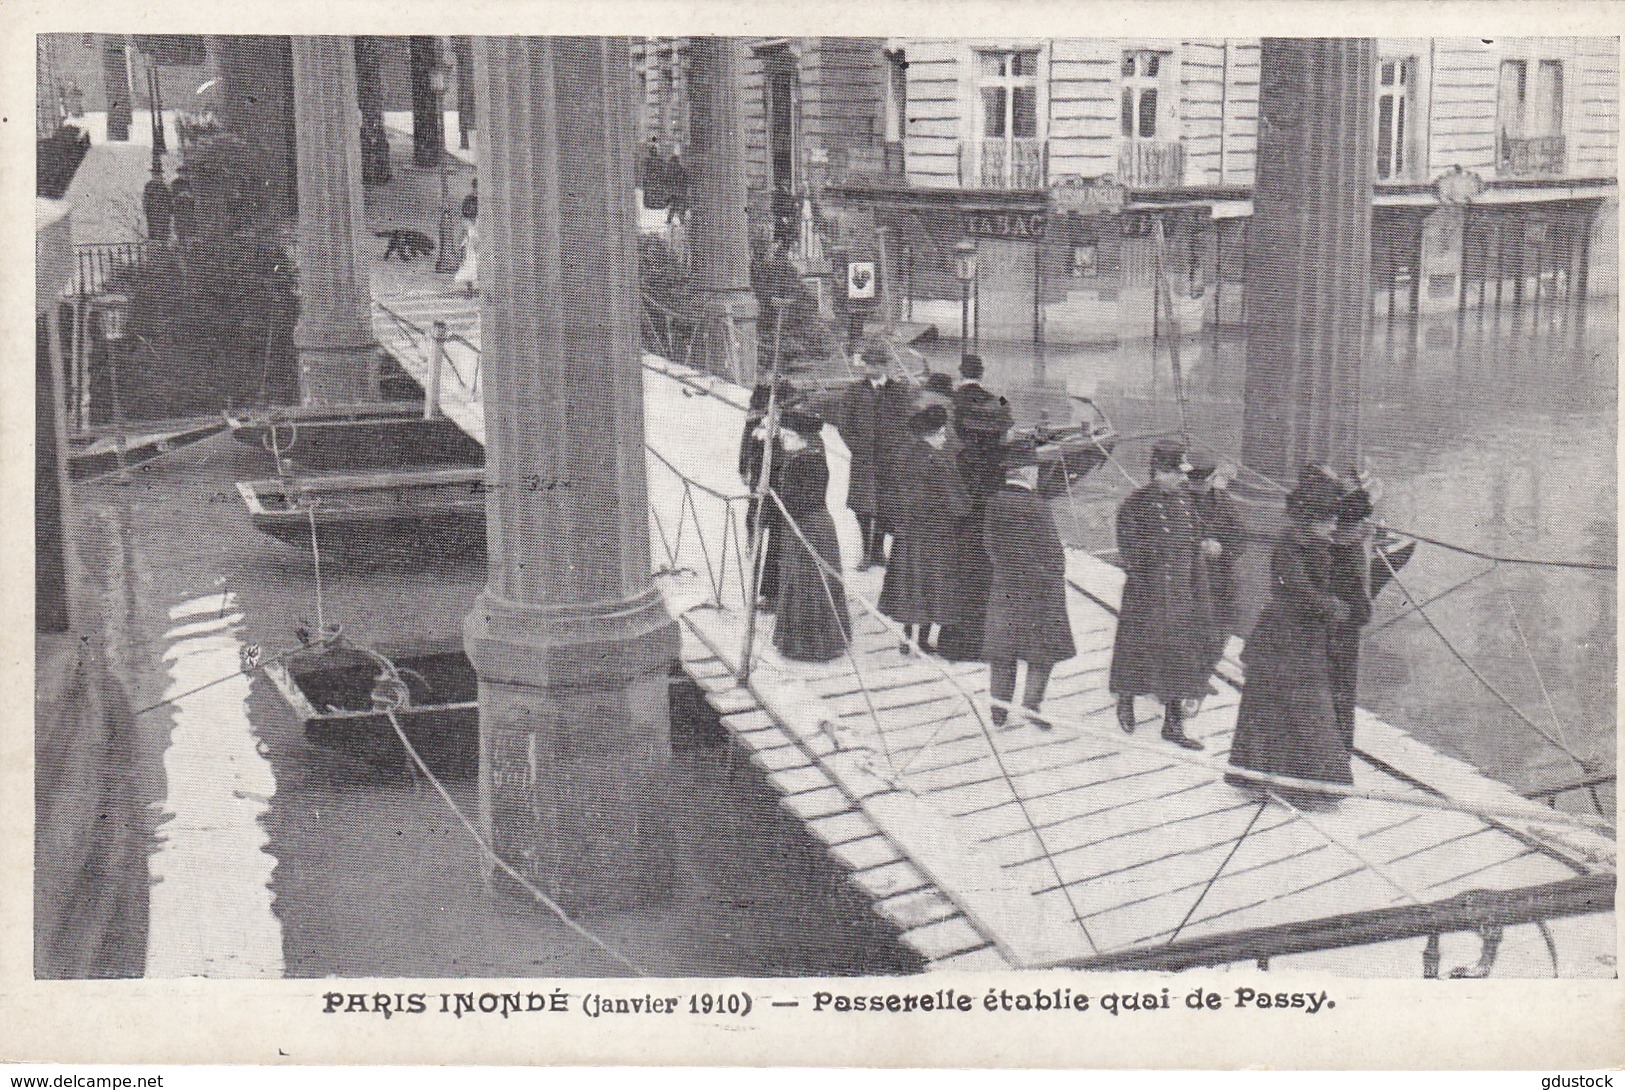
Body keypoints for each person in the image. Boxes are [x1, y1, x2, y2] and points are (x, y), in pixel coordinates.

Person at [1227, 472, 1354, 795]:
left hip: (1305, 638)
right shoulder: (1289, 545)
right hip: (1283, 638)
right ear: (1310, 519)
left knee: (1302, 707)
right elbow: (1299, 589)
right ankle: (1284, 781)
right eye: (1327, 520)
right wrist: (1333, 607)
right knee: (1292, 707)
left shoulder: (1318, 543)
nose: (1333, 526)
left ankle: (1306, 782)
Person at [1108, 439, 1214, 750]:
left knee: (1178, 658)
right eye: (1177, 473)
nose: (1183, 480)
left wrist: (1199, 597)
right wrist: (1159, 556)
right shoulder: (1135, 506)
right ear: (1159, 472)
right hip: (1146, 595)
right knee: (1134, 652)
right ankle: (1126, 700)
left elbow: (1194, 556)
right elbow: (1130, 553)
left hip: (1179, 597)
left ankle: (1173, 724)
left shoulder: (1185, 506)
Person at [983, 438, 1076, 728]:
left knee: (1003, 654)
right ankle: (1031, 707)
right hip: (1039, 593)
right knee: (1041, 655)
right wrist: (1052, 577)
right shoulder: (1037, 506)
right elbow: (1052, 552)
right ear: (1026, 471)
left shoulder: (994, 502)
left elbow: (990, 545)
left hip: (1005, 590)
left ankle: (999, 710)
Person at [937, 353, 1016, 662]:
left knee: (959, 569)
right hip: (991, 499)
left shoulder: (952, 403)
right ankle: (985, 640)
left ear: (960, 373)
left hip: (962, 498)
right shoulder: (998, 400)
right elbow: (1008, 425)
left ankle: (953, 643)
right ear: (981, 374)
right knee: (986, 566)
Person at [880, 404, 970, 654]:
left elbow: (893, 494)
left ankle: (907, 638)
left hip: (909, 533)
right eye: (941, 434)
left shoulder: (904, 455)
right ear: (929, 435)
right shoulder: (939, 462)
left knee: (910, 585)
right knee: (933, 586)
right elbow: (959, 503)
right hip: (936, 534)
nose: (944, 439)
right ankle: (922, 640)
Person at [771, 406, 852, 662]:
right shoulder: (810, 456)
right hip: (814, 525)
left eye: (787, 436)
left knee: (807, 583)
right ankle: (821, 638)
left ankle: (809, 644)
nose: (782, 440)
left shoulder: (802, 461)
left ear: (802, 438)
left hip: (806, 527)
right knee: (810, 582)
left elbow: (794, 500)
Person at [814, 355, 887, 569]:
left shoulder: (896, 392)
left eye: (875, 363)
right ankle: (866, 551)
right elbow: (844, 423)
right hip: (863, 458)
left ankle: (878, 552)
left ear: (885, 365)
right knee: (863, 505)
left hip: (889, 459)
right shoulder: (855, 391)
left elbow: (904, 422)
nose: (869, 367)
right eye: (867, 363)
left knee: (884, 503)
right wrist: (856, 445)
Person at [1185, 450, 1247, 679]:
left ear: (1213, 479)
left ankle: (1202, 673)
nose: (1197, 486)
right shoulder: (1176, 500)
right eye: (1193, 481)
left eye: (1202, 482)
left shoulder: (1223, 502)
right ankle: (1190, 677)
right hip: (1188, 579)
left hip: (1219, 577)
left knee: (1223, 625)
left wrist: (1222, 549)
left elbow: (1240, 538)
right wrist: (1197, 547)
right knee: (1189, 629)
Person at [739, 382, 789, 609]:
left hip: (782, 475)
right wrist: (744, 466)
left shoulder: (787, 395)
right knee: (756, 511)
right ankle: (753, 539)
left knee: (778, 526)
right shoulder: (758, 402)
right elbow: (747, 436)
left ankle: (775, 589)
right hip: (761, 472)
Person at [453, 194, 478, 295]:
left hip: (474, 248)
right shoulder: (467, 223)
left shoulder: (476, 222)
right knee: (469, 268)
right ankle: (470, 289)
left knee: (474, 268)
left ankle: (472, 288)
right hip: (470, 249)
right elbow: (464, 238)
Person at [142, 162, 173, 244]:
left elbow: (169, 202)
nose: (156, 176)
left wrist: (168, 211)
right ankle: (153, 244)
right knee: (153, 232)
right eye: (154, 174)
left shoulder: (165, 187)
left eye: (158, 174)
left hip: (163, 215)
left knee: (163, 233)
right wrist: (146, 209)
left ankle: (163, 245)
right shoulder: (148, 186)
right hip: (152, 214)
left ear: (160, 175)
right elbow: (145, 199)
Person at [640, 138, 670, 211]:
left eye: (655, 150)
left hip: (657, 179)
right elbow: (644, 170)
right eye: (652, 150)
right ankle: (650, 203)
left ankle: (657, 204)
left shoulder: (660, 160)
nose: (654, 151)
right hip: (651, 179)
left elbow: (663, 168)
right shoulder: (647, 160)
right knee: (651, 191)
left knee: (657, 191)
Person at [665, 149, 689, 226]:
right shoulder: (681, 169)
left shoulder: (671, 170)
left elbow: (668, 181)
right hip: (680, 192)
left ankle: (670, 220)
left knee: (674, 207)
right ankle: (681, 221)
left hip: (675, 192)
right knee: (678, 207)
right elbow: (685, 181)